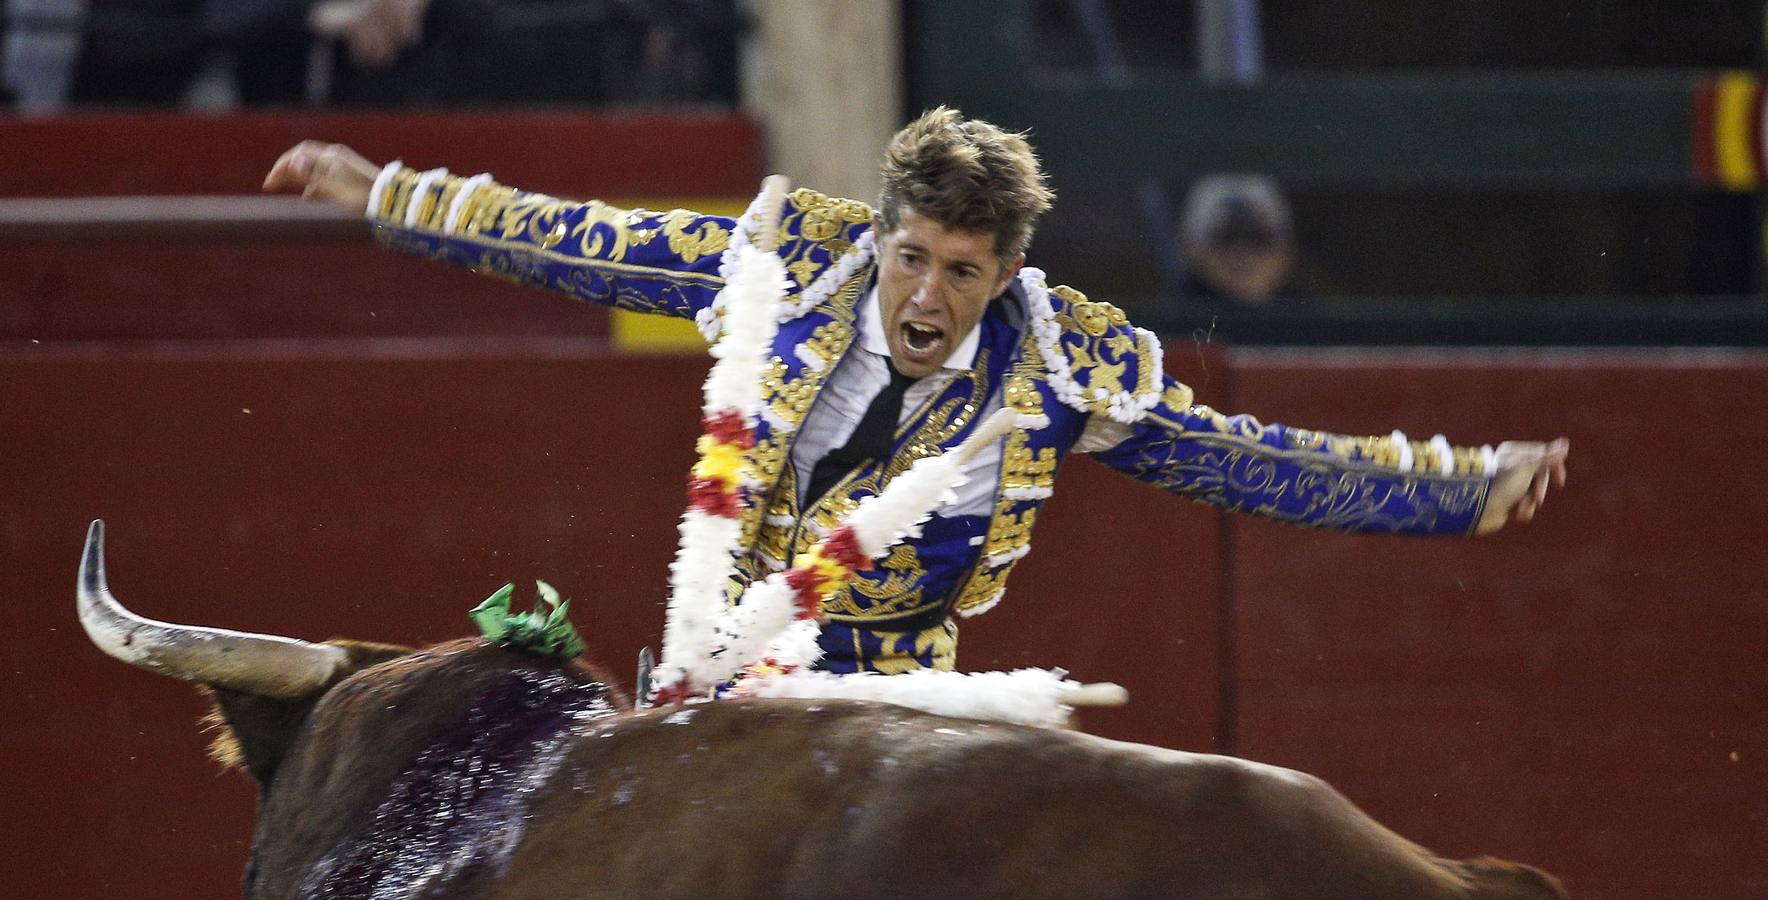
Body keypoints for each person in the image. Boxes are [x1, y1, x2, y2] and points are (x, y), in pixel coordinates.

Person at [262, 107, 1569, 676]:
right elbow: (584, 239)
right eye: (910, 257)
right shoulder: (788, 269)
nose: (925, 297)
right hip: (711, 676)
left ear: (1005, 273)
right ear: (878, 236)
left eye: (960, 270)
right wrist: (386, 194)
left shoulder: (1052, 364)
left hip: (901, 695)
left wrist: (1452, 495)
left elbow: (1241, 455)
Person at [1175, 174, 1301, 308]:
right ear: (1191, 248)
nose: (1243, 254)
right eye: (1225, 240)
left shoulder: (1308, 317)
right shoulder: (1170, 317)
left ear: (1287, 250)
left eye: (1259, 240)